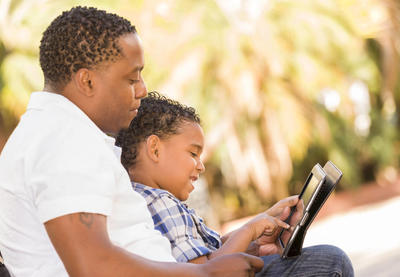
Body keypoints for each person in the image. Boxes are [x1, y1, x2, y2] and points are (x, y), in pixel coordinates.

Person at [0, 6, 264, 277]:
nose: (142, 89)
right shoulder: (63, 140)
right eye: (131, 78)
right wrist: (207, 274)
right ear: (87, 81)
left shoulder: (53, 132)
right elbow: (92, 266)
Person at [116, 92, 355, 276]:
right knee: (331, 261)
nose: (201, 166)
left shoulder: (149, 199)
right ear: (155, 149)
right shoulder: (160, 203)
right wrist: (249, 231)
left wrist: (256, 237)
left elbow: (211, 251)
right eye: (193, 154)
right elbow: (209, 270)